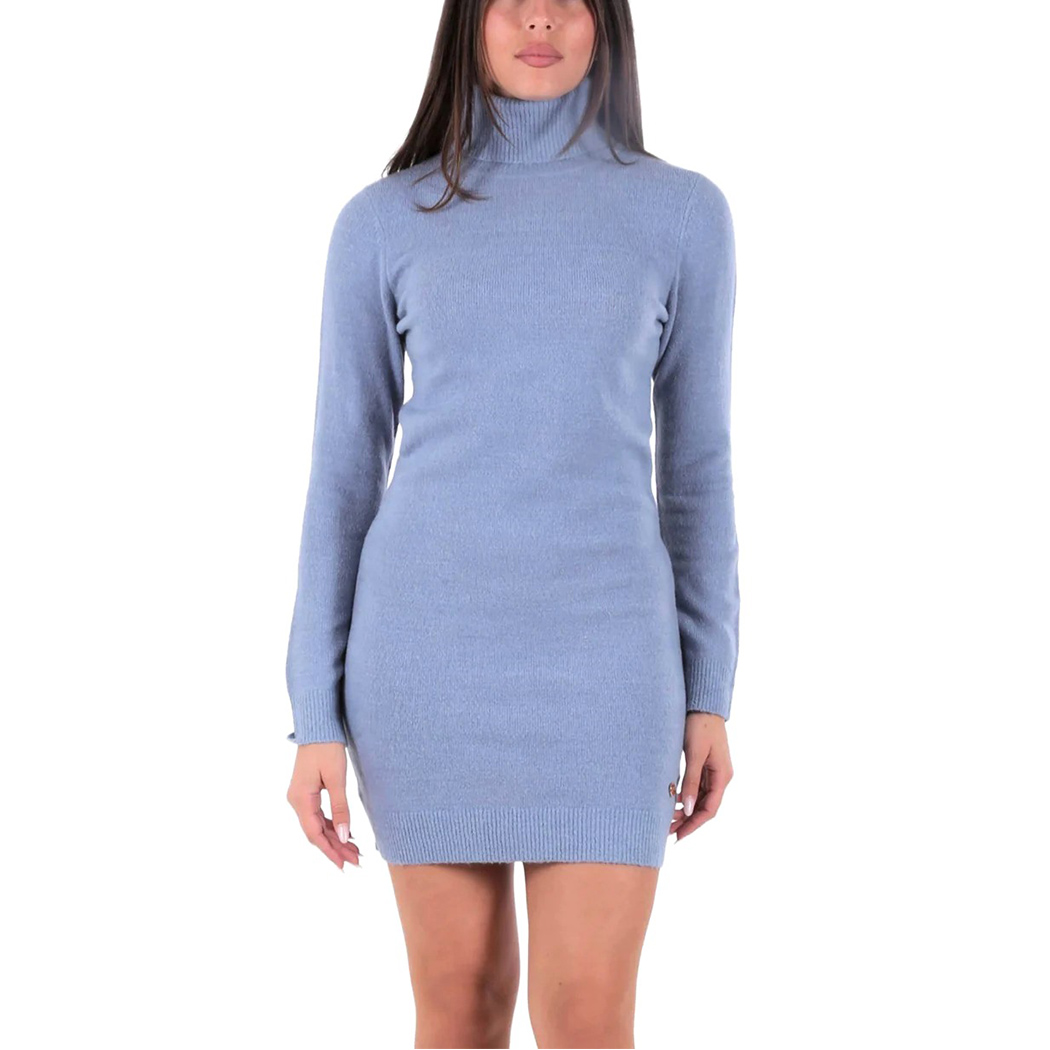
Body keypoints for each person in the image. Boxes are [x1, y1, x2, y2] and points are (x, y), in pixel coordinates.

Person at [284, 0, 740, 1045]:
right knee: (460, 1008)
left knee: (586, 1017)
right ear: (469, 18)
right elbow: (342, 474)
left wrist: (709, 690)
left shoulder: (681, 214)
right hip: (426, 663)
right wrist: (315, 714)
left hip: (608, 666)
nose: (540, 17)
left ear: (606, 17)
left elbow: (698, 473)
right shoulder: (384, 221)